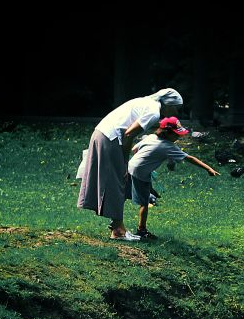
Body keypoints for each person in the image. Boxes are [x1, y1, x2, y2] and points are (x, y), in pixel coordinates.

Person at [77, 88, 184, 241]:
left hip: (102, 133)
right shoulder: (153, 111)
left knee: (117, 180)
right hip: (110, 138)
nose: (177, 113)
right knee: (118, 180)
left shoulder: (147, 103)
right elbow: (129, 133)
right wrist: (125, 159)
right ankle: (118, 231)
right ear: (169, 104)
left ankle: (116, 226)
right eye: (177, 108)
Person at [126, 116, 220, 239]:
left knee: (126, 193)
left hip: (130, 166)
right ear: (167, 133)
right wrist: (208, 168)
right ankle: (141, 231)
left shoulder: (151, 137)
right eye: (176, 134)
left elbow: (134, 150)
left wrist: (146, 158)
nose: (178, 137)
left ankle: (115, 221)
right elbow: (189, 158)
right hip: (140, 172)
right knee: (144, 202)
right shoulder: (168, 146)